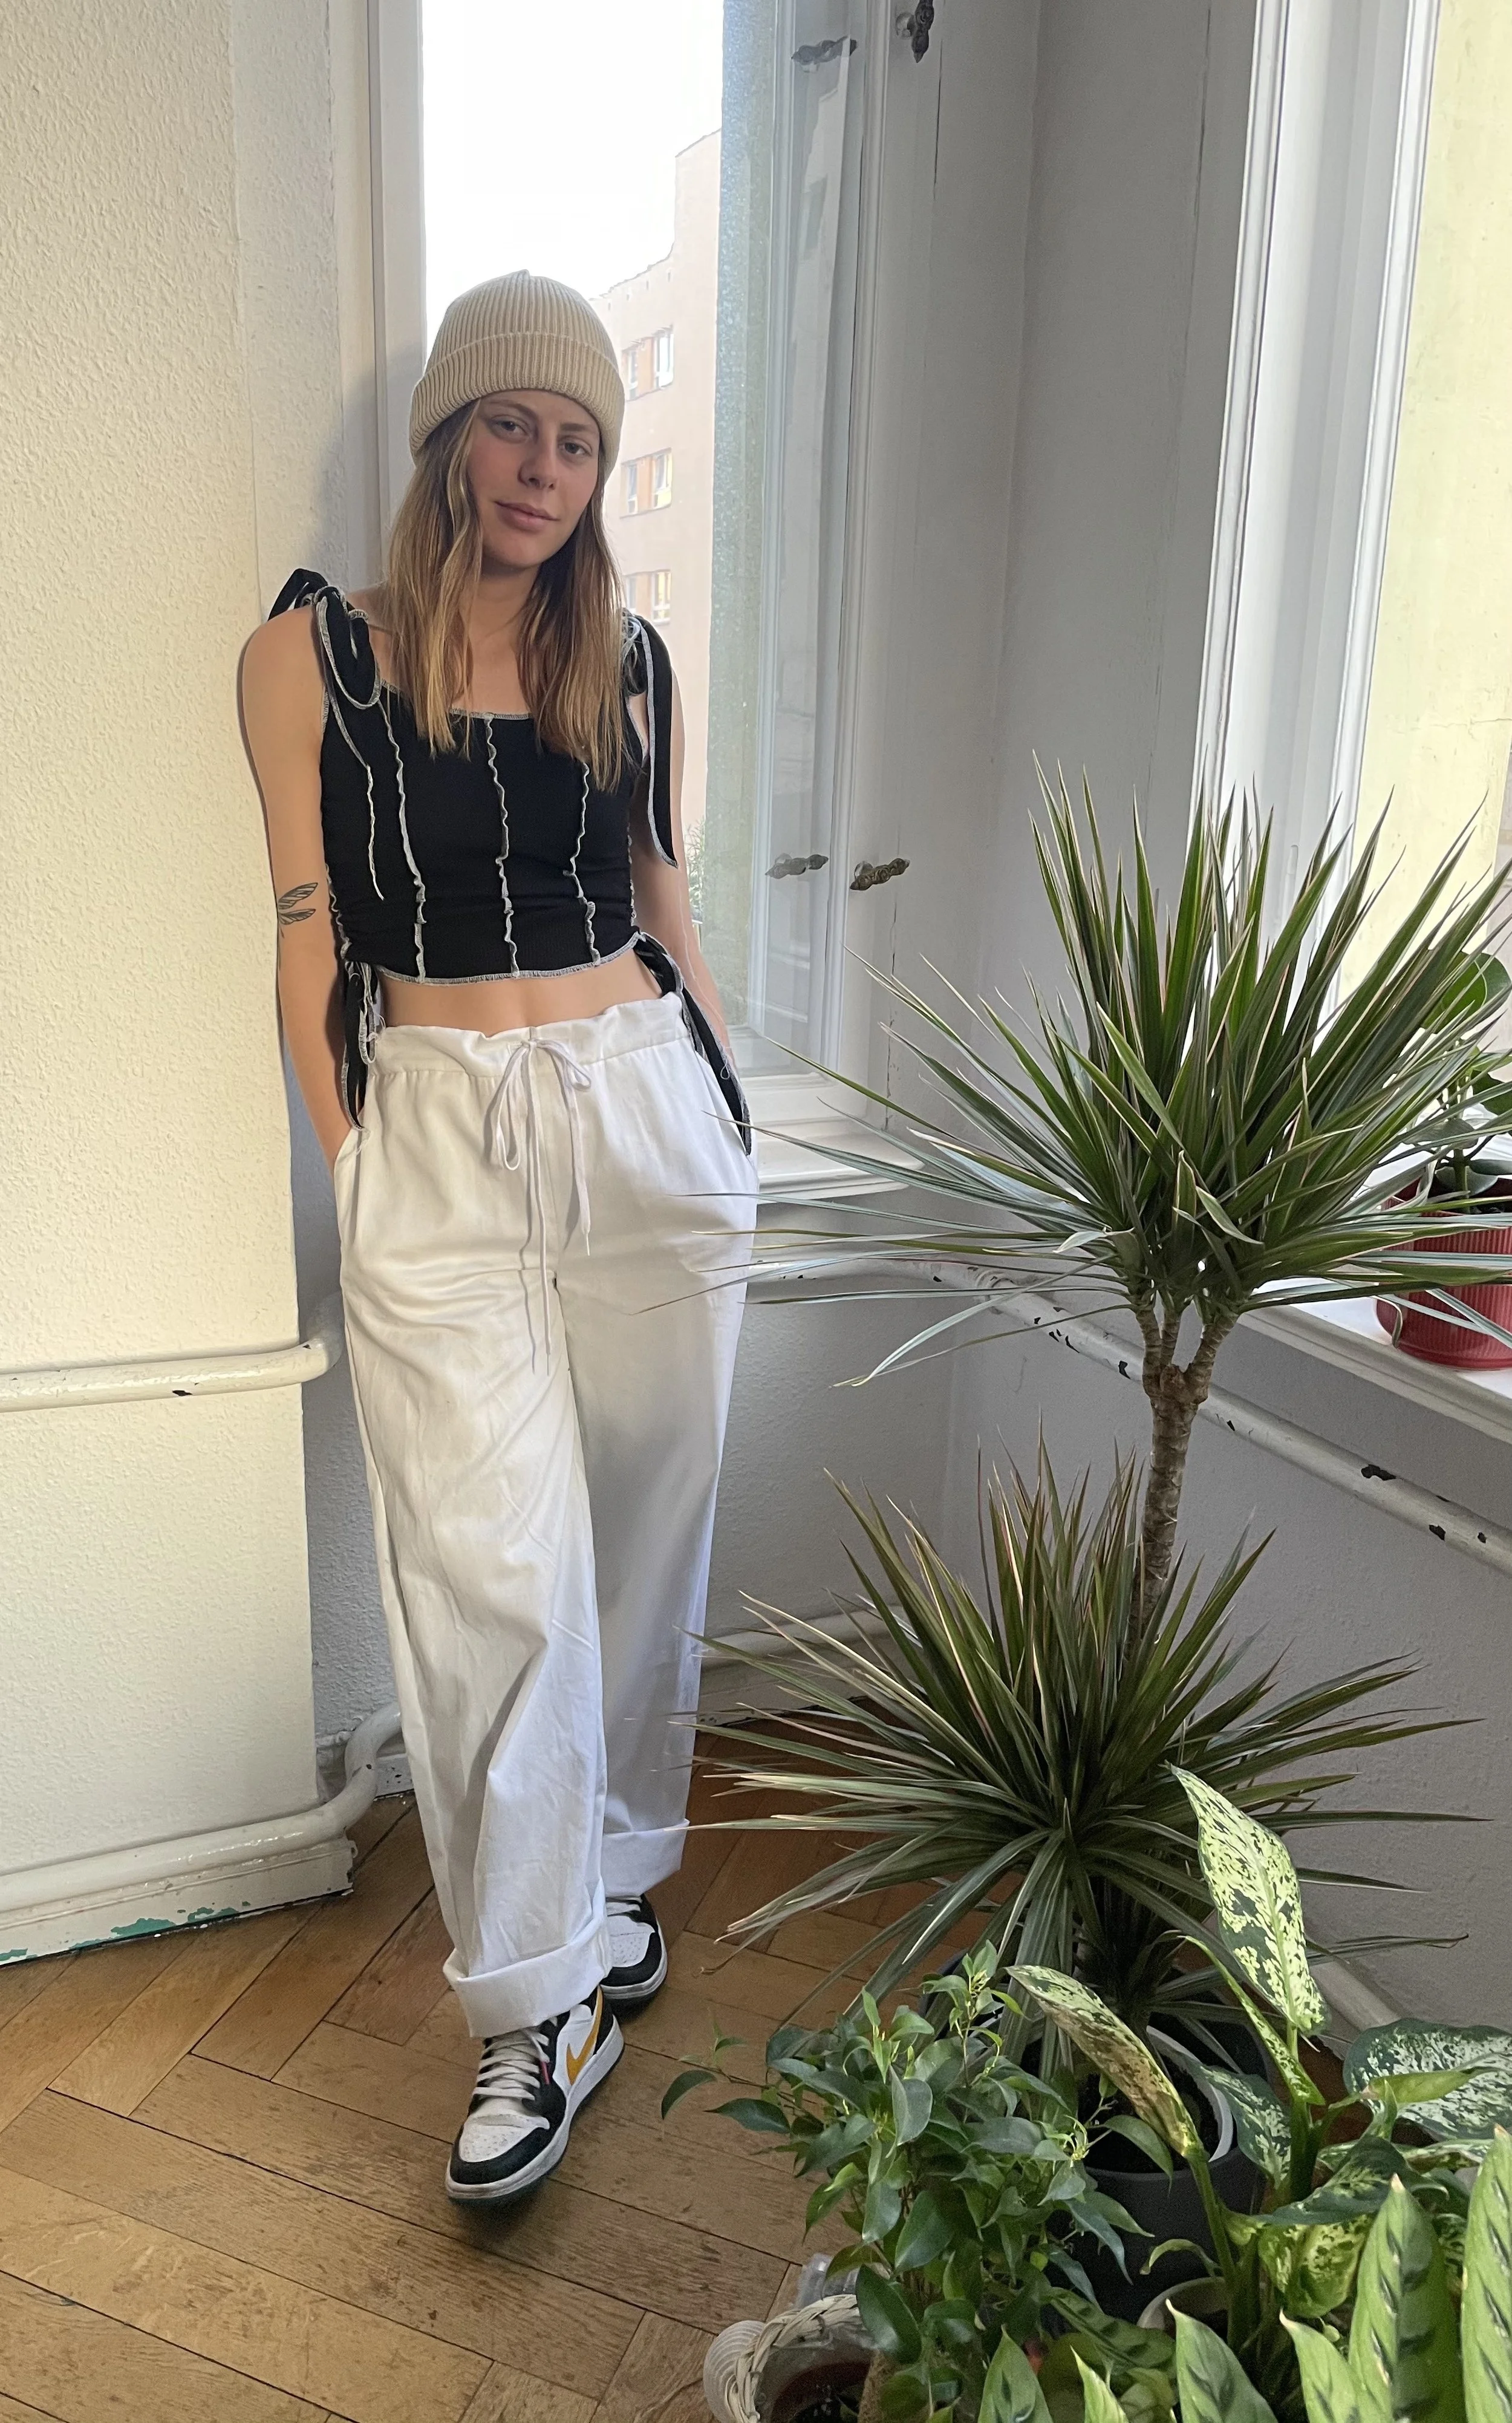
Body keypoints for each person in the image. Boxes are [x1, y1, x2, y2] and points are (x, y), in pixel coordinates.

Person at [240, 272, 757, 2204]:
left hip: (641, 1116)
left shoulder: (625, 657)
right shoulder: (307, 659)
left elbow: (662, 903)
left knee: (643, 1529)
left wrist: (725, 1108)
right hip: (436, 1133)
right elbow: (306, 932)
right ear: (451, 435)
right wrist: (355, 1159)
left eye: (580, 438)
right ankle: (527, 2002)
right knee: (486, 1574)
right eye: (513, 423)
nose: (544, 467)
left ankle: (613, 1901)